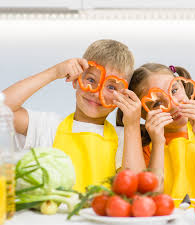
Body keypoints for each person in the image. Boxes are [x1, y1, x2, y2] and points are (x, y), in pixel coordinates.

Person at [3, 39, 145, 192]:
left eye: (111, 87)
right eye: (91, 79)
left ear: (123, 96)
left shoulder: (126, 138)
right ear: (76, 80)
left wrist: (132, 125)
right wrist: (54, 72)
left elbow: (138, 189)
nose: (97, 93)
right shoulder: (46, 126)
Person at [116, 63, 195, 203]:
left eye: (174, 91)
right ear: (142, 115)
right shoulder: (144, 148)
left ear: (183, 86)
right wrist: (158, 143)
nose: (173, 105)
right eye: (157, 103)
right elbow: (151, 198)